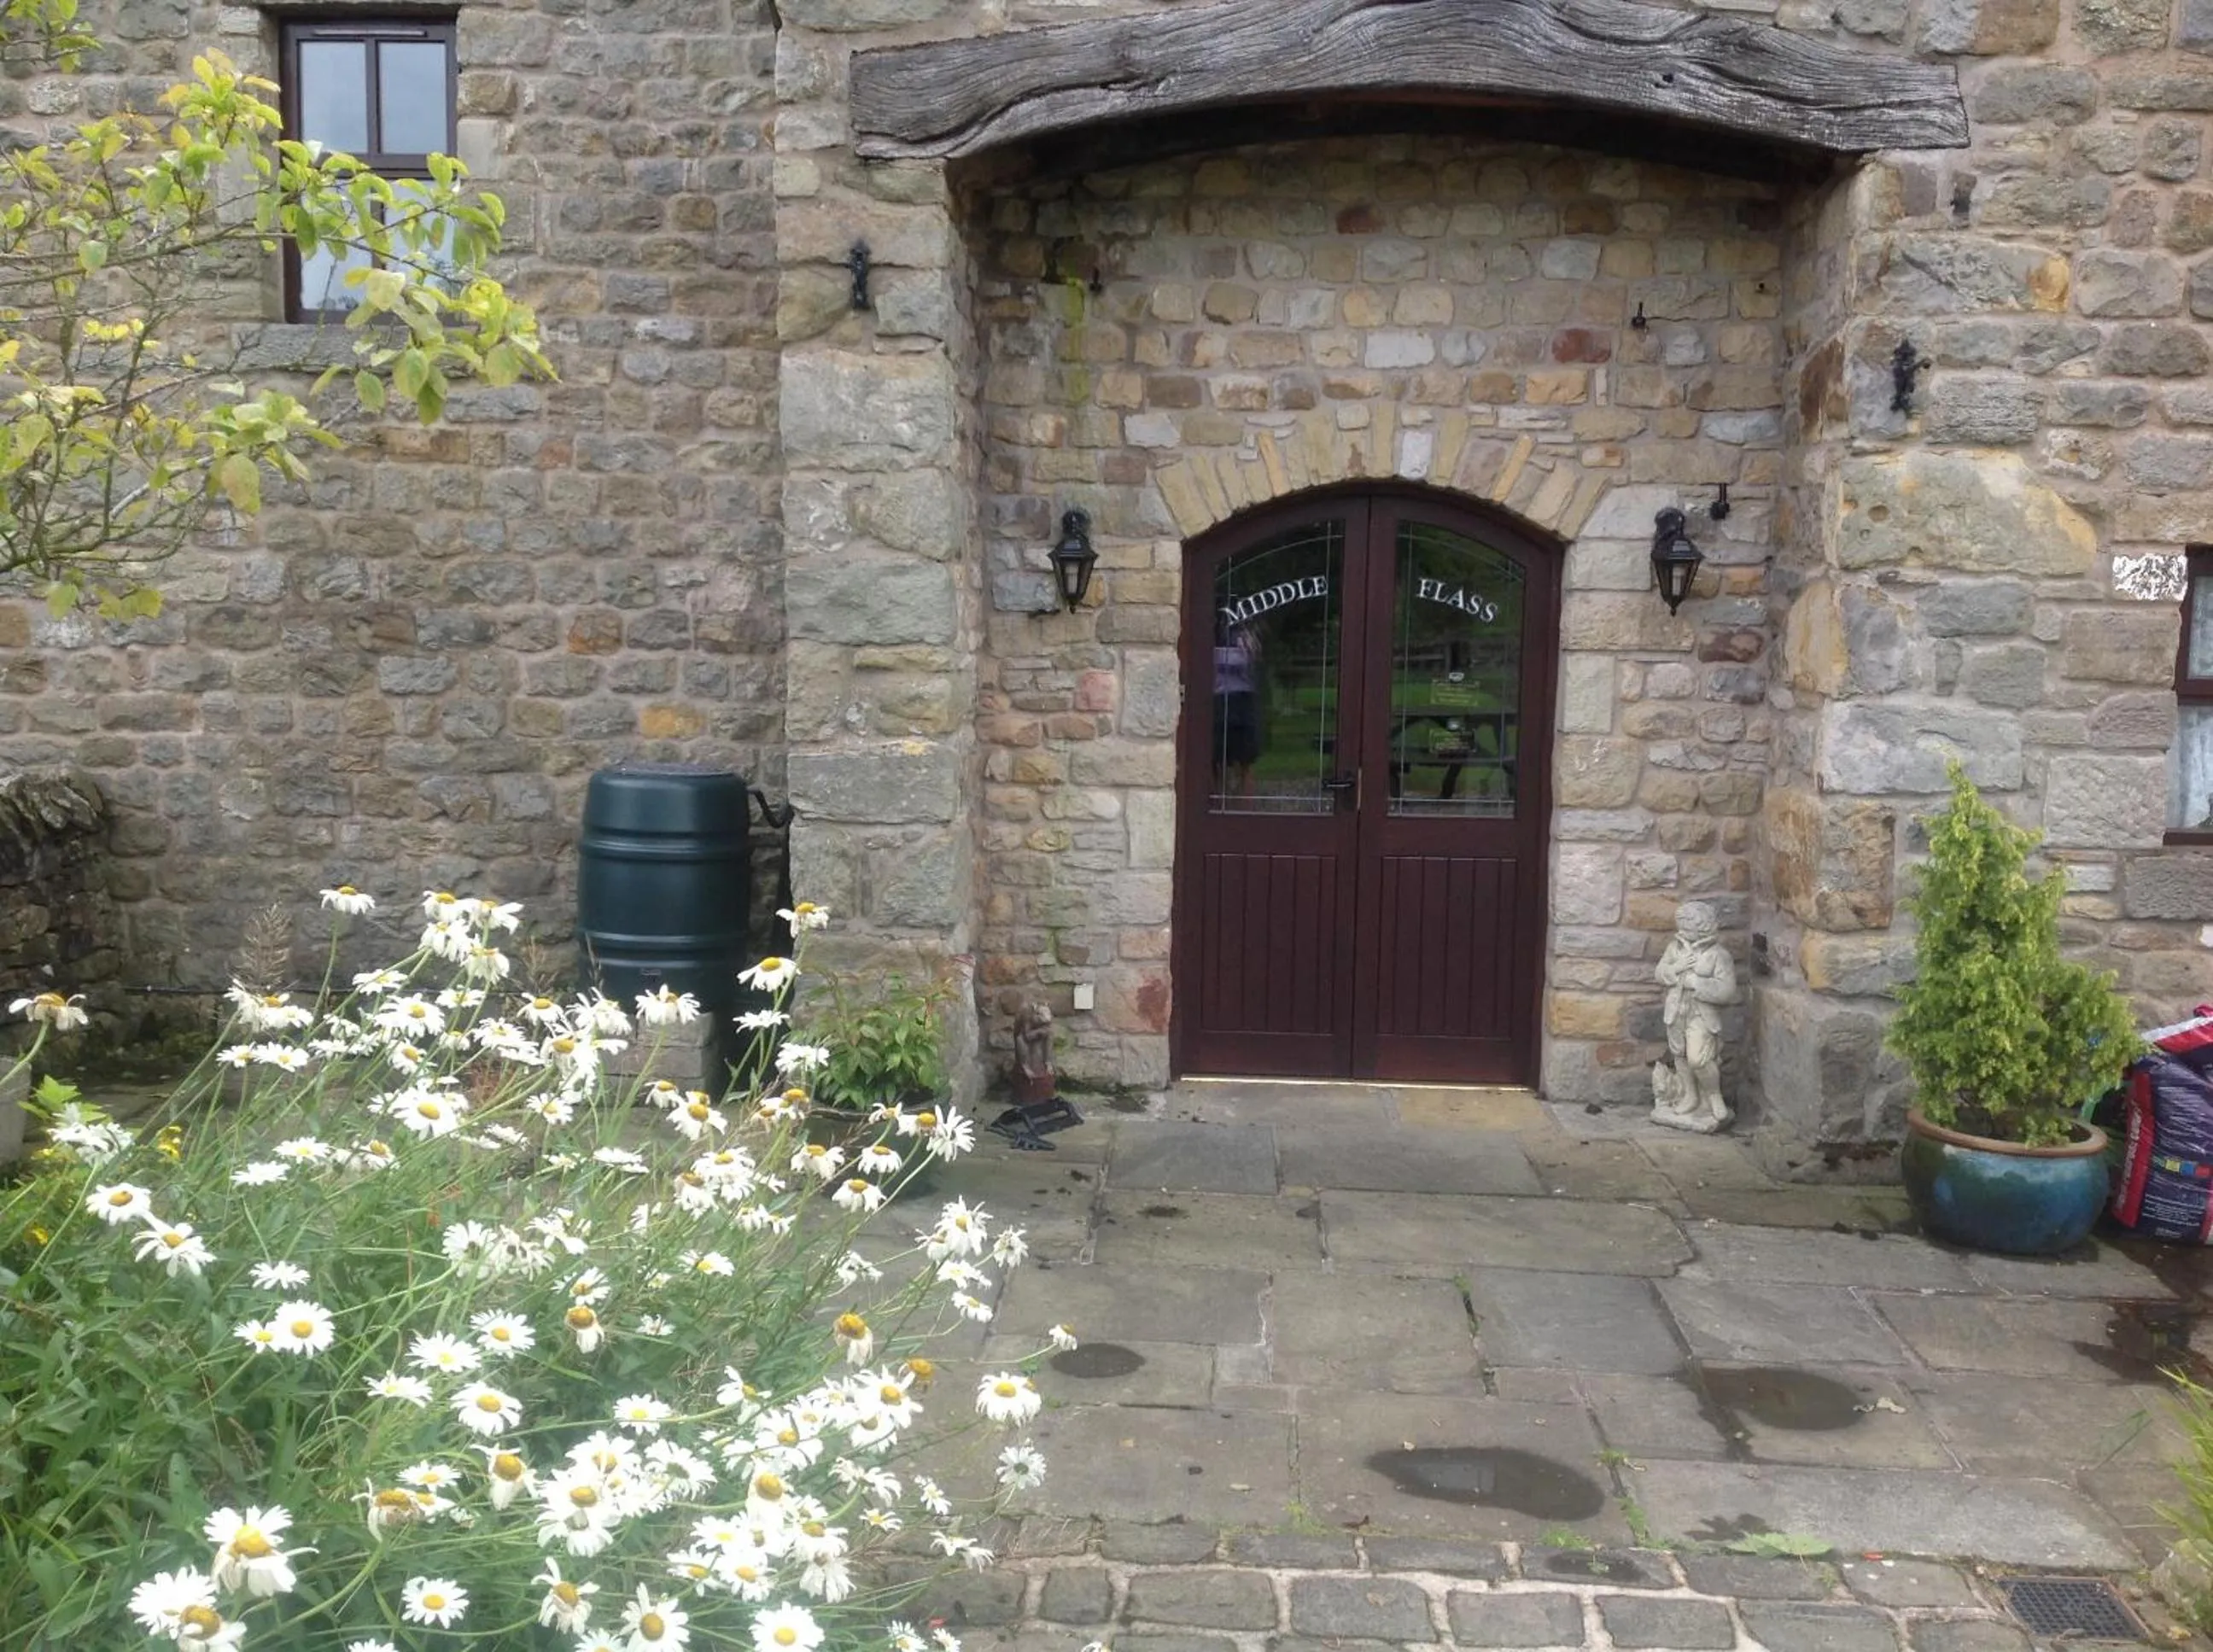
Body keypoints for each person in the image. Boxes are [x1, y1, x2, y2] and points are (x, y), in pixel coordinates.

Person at [1212, 613, 1261, 800]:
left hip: (1242, 700)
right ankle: (1217, 803)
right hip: (1218, 699)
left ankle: (1245, 809)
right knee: (1216, 758)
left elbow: (1253, 662)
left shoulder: (1247, 637)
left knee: (1245, 760)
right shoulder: (1211, 634)